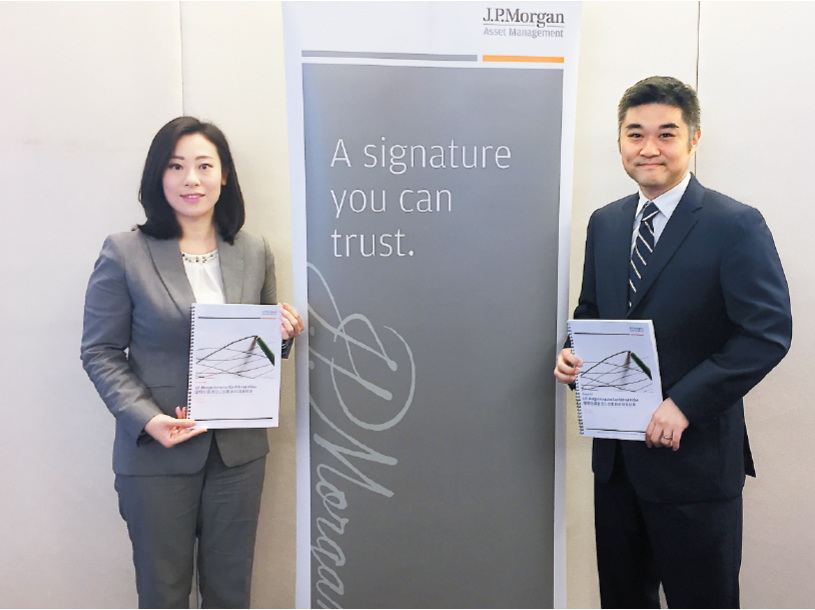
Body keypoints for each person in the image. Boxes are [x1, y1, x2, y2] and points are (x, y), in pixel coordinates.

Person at [554, 77, 792, 608]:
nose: (649, 148)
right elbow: (592, 313)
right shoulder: (606, 223)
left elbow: (767, 333)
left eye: (666, 134)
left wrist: (683, 403)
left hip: (695, 466)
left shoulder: (735, 224)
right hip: (617, 466)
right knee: (623, 599)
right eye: (635, 134)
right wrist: (573, 355)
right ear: (620, 141)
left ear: (694, 139)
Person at [81, 117, 304, 608]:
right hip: (157, 453)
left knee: (231, 594)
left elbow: (260, 346)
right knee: (163, 593)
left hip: (238, 456)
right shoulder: (125, 252)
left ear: (224, 176)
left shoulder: (254, 250)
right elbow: (99, 351)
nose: (191, 179)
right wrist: (147, 420)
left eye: (204, 166)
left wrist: (282, 334)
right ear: (158, 176)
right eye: (176, 166)